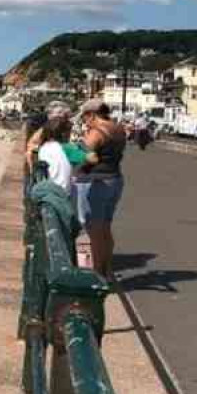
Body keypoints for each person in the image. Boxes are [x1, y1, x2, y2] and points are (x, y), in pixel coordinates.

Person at [75, 99, 126, 277]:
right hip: (115, 180)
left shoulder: (97, 132)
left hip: (98, 183)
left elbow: (84, 156)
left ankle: (96, 275)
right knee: (105, 227)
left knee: (94, 230)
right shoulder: (118, 129)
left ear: (92, 115)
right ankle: (106, 270)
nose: (84, 122)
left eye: (84, 117)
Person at [36, 116, 74, 192]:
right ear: (63, 134)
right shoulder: (67, 148)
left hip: (49, 191)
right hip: (62, 193)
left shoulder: (44, 148)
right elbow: (91, 158)